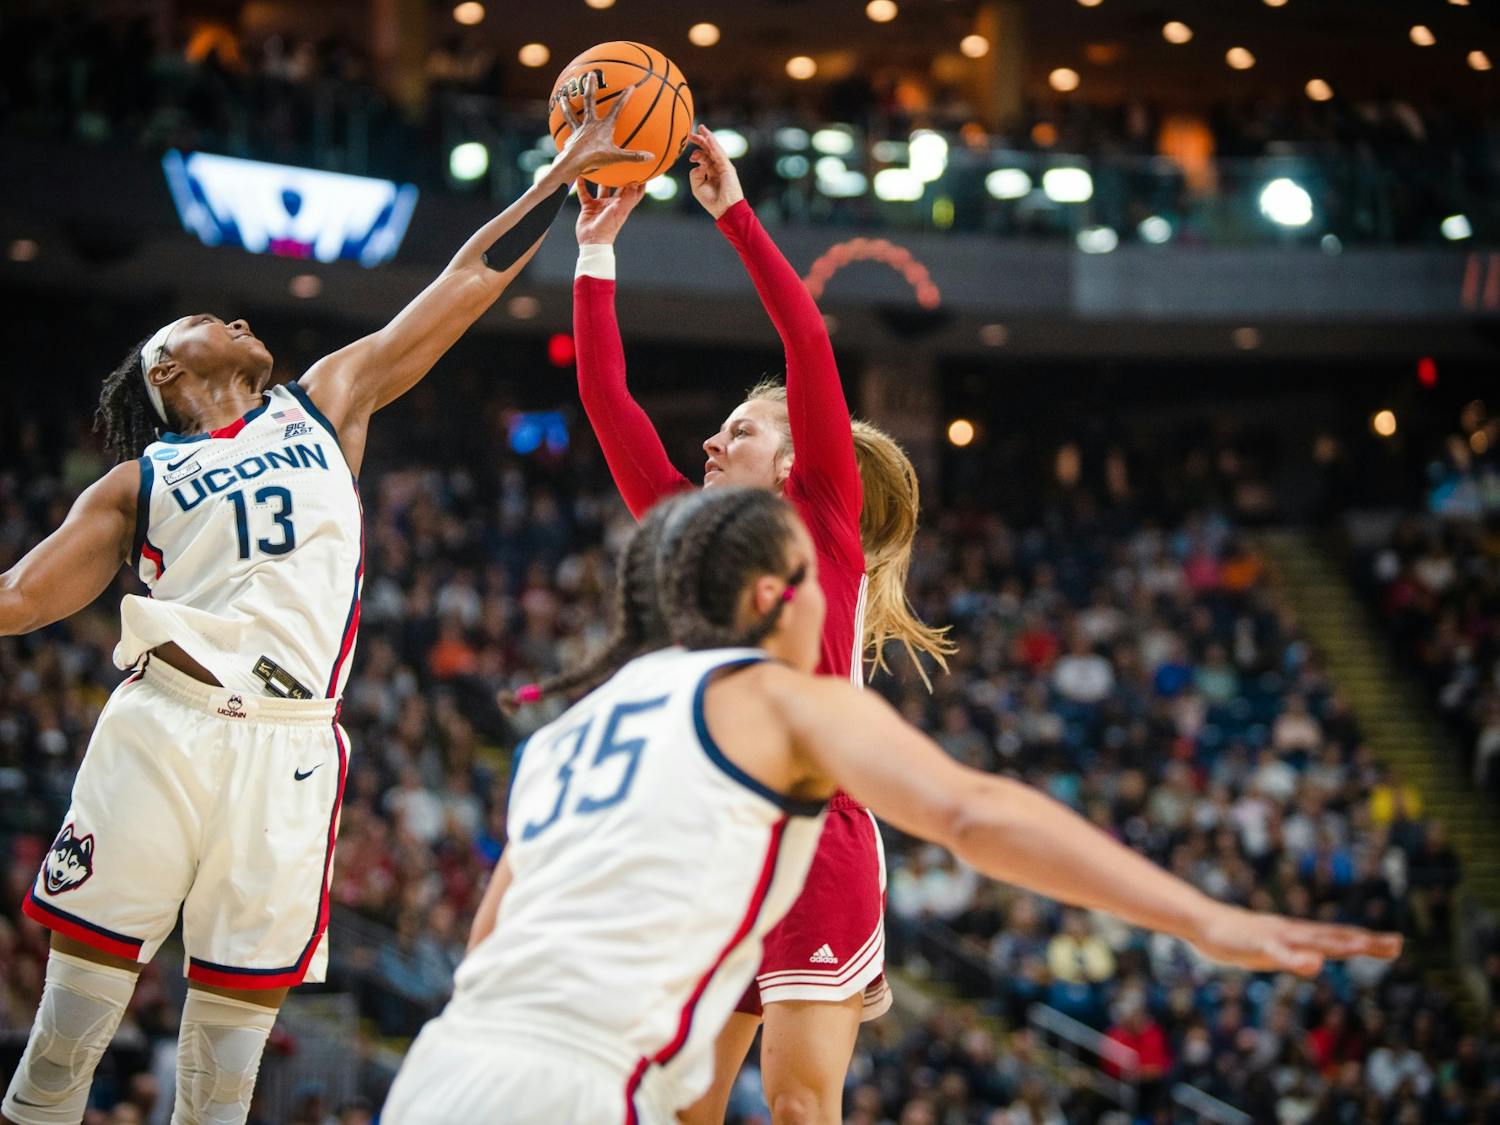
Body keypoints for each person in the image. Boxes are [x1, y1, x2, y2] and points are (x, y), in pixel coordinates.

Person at [0, 77, 646, 1125]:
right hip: (163, 728)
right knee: (63, 1047)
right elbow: (22, 599)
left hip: (293, 747)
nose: (237, 316)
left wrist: (556, 180)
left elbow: (460, 284)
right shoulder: (136, 481)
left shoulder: (323, 401)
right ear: (166, 368)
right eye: (207, 318)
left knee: (222, 1084)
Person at [384, 487, 1401, 1124]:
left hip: (444, 1070)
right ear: (775, 596)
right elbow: (972, 815)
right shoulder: (780, 698)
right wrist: (1201, 918)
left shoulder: (569, 729)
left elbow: (485, 946)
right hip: (585, 1088)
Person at [569, 122, 953, 1124]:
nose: (709, 441)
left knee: (797, 1104)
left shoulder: (822, 517)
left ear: (790, 461)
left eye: (737, 430)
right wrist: (596, 252)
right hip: (718, 841)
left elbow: (807, 341)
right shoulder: (688, 534)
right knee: (678, 1110)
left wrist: (734, 215)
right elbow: (608, 400)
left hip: (817, 832)